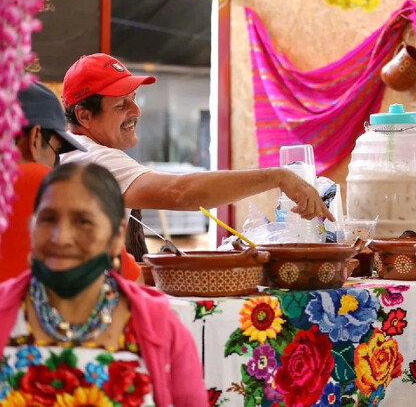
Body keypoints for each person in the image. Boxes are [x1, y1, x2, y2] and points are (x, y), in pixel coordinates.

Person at [0, 163, 207, 406]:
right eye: (48, 219)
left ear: (117, 236)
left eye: (83, 221)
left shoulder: (161, 328)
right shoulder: (5, 313)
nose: (61, 237)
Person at [60, 53, 333, 227]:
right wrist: (278, 177)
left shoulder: (74, 152)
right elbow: (181, 193)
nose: (136, 112)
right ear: (84, 115)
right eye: (121, 106)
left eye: (134, 101)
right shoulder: (92, 159)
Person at [0, 82, 141, 283]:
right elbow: (132, 281)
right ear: (35, 139)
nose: (56, 164)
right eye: (56, 151)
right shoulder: (43, 185)